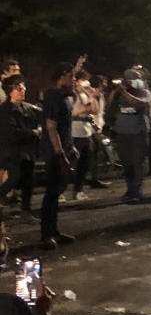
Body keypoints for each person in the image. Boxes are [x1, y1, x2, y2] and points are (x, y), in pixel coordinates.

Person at [39, 63, 78, 250]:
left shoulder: (64, 98)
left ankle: (53, 230)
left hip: (63, 150)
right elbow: (51, 127)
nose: (74, 80)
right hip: (55, 153)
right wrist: (60, 153)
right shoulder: (53, 97)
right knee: (51, 193)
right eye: (71, 76)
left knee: (56, 193)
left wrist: (71, 148)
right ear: (61, 77)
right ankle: (46, 234)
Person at [0, 74, 40, 221]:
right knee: (14, 178)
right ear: (10, 91)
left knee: (29, 181)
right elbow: (9, 132)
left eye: (23, 87)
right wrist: (32, 132)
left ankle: (26, 211)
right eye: (18, 88)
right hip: (12, 151)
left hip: (28, 150)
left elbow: (41, 116)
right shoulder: (4, 110)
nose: (23, 90)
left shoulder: (27, 107)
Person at [109, 68, 150, 204]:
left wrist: (124, 92)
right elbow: (109, 106)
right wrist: (115, 91)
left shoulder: (144, 92)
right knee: (127, 164)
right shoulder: (119, 93)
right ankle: (130, 190)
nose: (137, 80)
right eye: (133, 78)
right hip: (122, 132)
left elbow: (139, 105)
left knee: (137, 163)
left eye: (138, 78)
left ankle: (137, 192)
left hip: (138, 133)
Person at [69, 70, 98, 201]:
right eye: (84, 80)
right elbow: (69, 113)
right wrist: (83, 109)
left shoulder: (86, 95)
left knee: (84, 163)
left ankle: (78, 190)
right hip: (73, 133)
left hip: (86, 132)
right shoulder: (71, 95)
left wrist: (92, 95)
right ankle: (60, 191)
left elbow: (94, 110)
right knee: (70, 163)